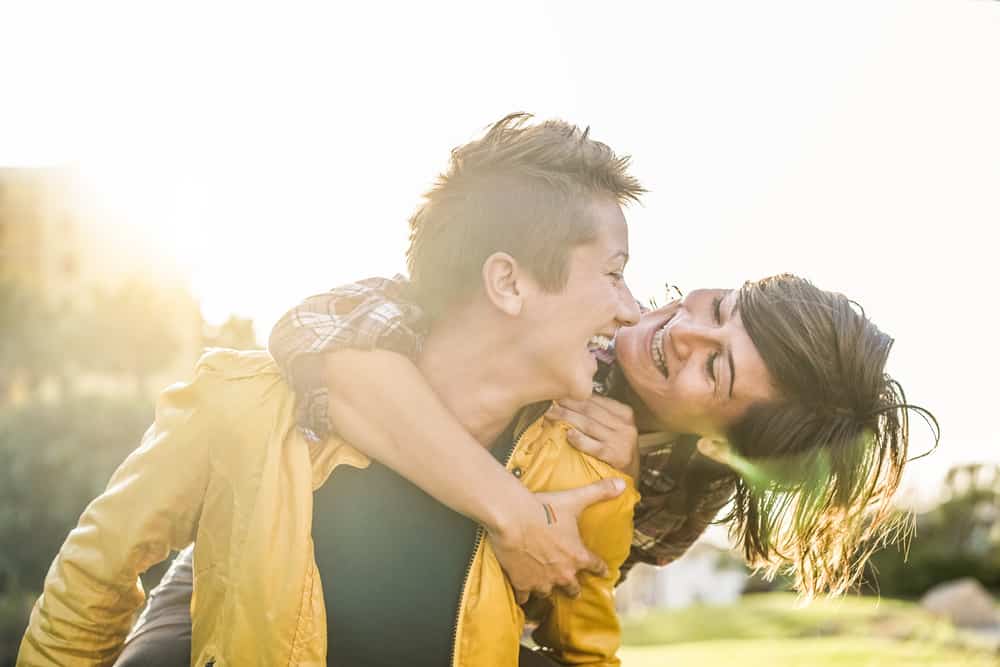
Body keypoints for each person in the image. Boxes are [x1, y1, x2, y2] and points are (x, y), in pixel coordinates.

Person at [18, 113, 648, 667]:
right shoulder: (240, 405)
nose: (630, 307)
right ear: (508, 283)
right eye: (614, 274)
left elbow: (587, 656)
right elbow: (92, 580)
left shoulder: (579, 476)